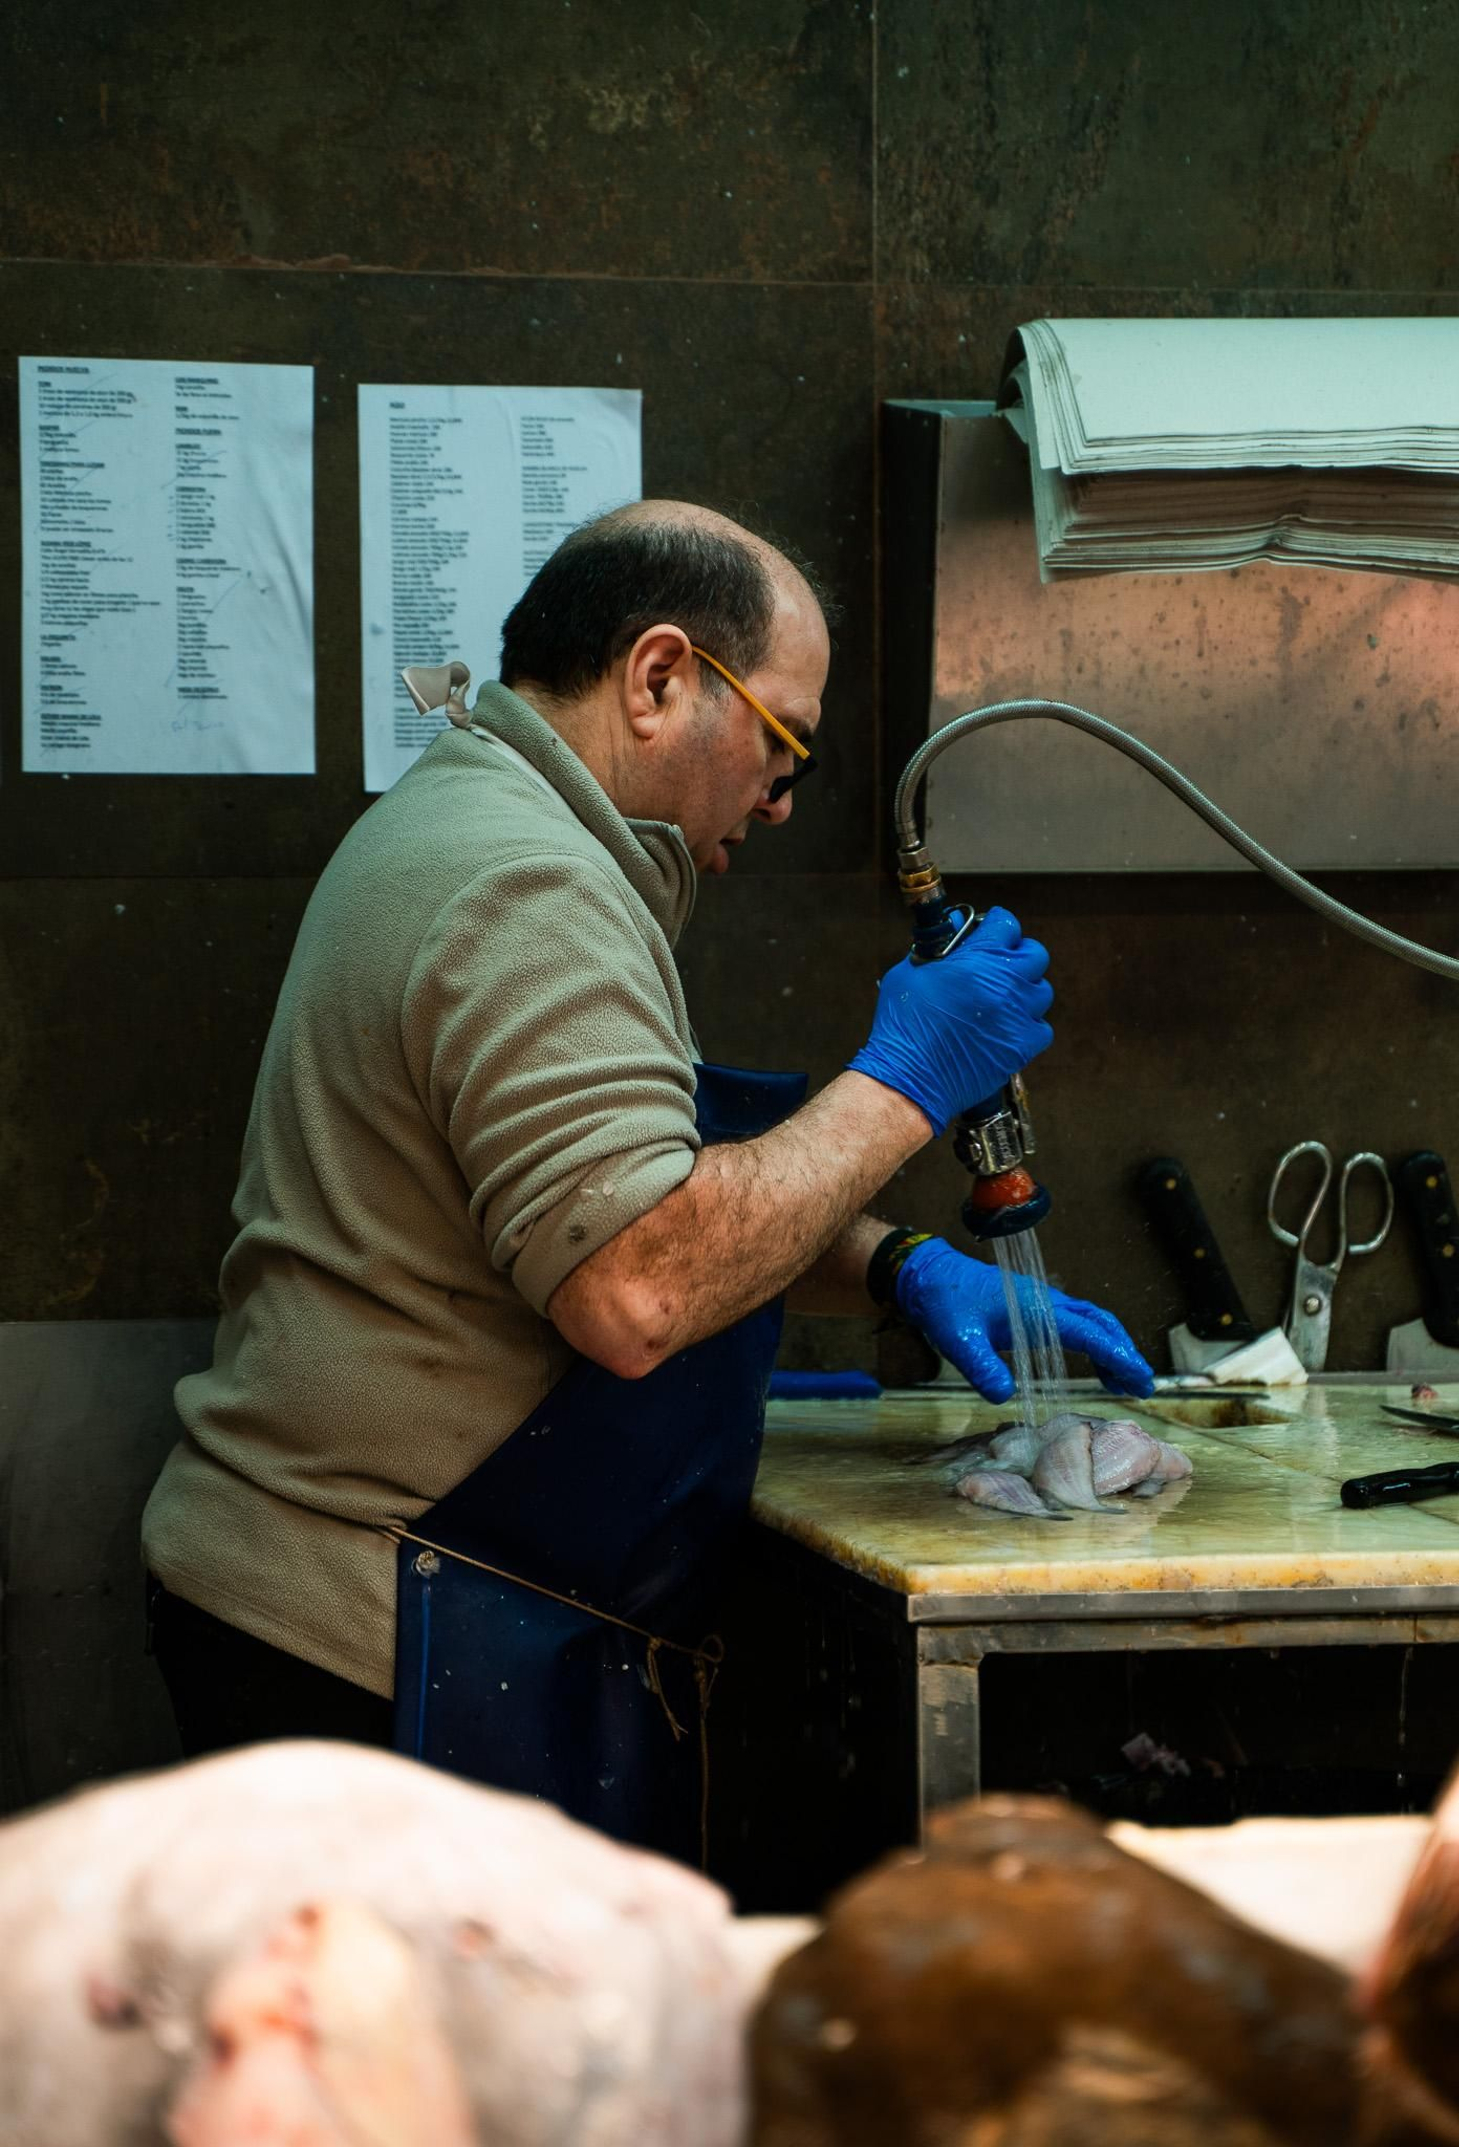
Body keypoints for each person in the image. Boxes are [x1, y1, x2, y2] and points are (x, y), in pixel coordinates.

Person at [142, 500, 1151, 1859]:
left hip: (370, 1600)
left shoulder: (490, 826)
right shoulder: (527, 886)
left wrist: (894, 1265)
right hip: (369, 1637)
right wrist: (909, 1082)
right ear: (661, 676)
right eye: (780, 742)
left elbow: (608, 1190)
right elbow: (634, 1282)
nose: (783, 801)